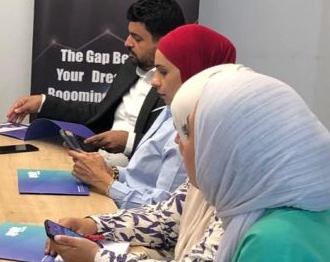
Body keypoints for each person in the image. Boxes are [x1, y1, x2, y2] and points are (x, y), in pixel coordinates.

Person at [33, 68, 330, 262]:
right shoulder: (294, 212)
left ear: (229, 149)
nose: (178, 142)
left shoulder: (269, 249)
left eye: (190, 133)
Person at [46, 64, 247, 262]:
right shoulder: (216, 174)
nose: (177, 140)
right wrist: (93, 225)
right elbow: (165, 219)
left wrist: (97, 259)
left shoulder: (245, 205)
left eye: (188, 132)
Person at [67, 25, 235, 209]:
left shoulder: (195, 130)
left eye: (163, 72)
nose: (154, 81)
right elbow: (141, 178)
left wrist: (104, 182)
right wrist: (108, 171)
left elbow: (163, 210)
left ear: (195, 73)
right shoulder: (170, 109)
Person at [7, 0, 185, 164]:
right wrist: (43, 102)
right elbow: (99, 113)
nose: (127, 43)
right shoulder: (131, 66)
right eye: (129, 34)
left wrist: (129, 142)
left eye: (137, 38)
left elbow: (174, 146)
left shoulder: (179, 84)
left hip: (132, 174)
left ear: (166, 41)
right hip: (97, 159)